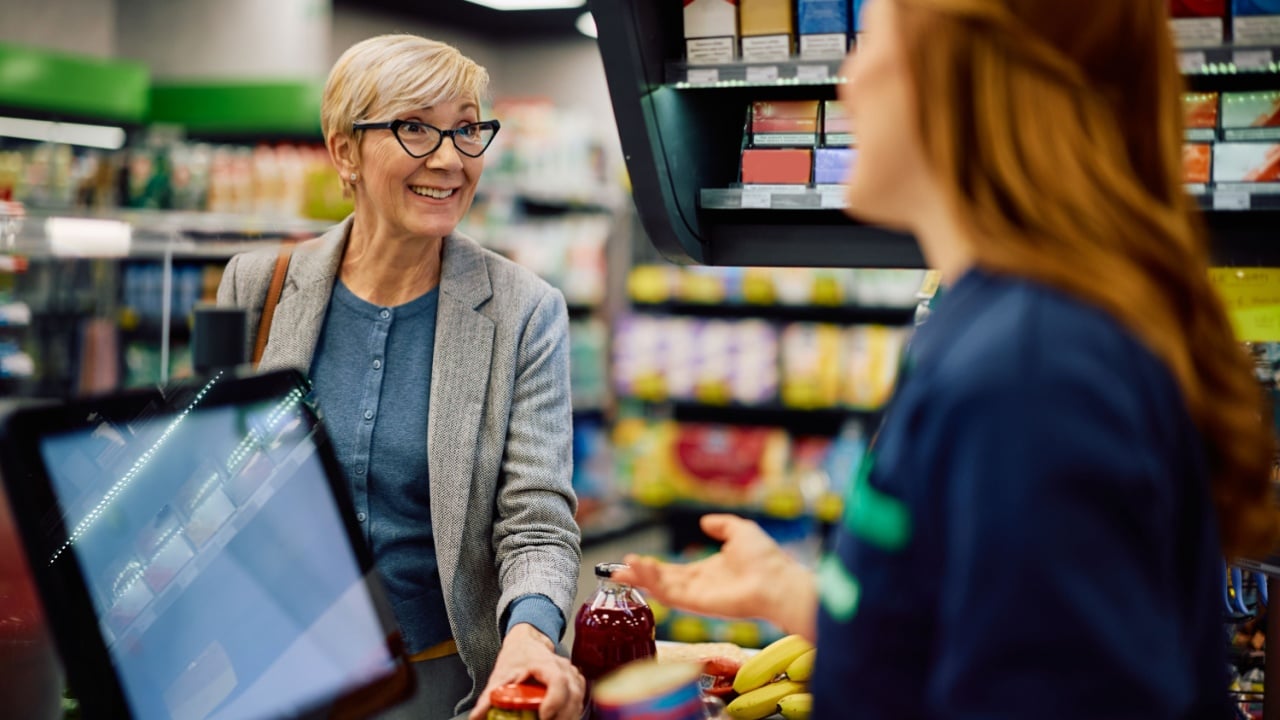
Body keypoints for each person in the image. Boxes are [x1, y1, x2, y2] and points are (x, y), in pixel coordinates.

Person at [614, 1, 1280, 717]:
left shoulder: (1032, 371)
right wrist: (790, 594)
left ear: (960, 79)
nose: (848, 79)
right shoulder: (990, 320)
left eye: (876, 42)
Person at [217, 35, 584, 720]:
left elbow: (536, 522)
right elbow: (208, 484)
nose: (448, 158)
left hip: (433, 686)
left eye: (467, 128)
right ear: (344, 151)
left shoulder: (523, 312)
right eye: (415, 127)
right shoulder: (258, 285)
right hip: (263, 673)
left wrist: (531, 635)